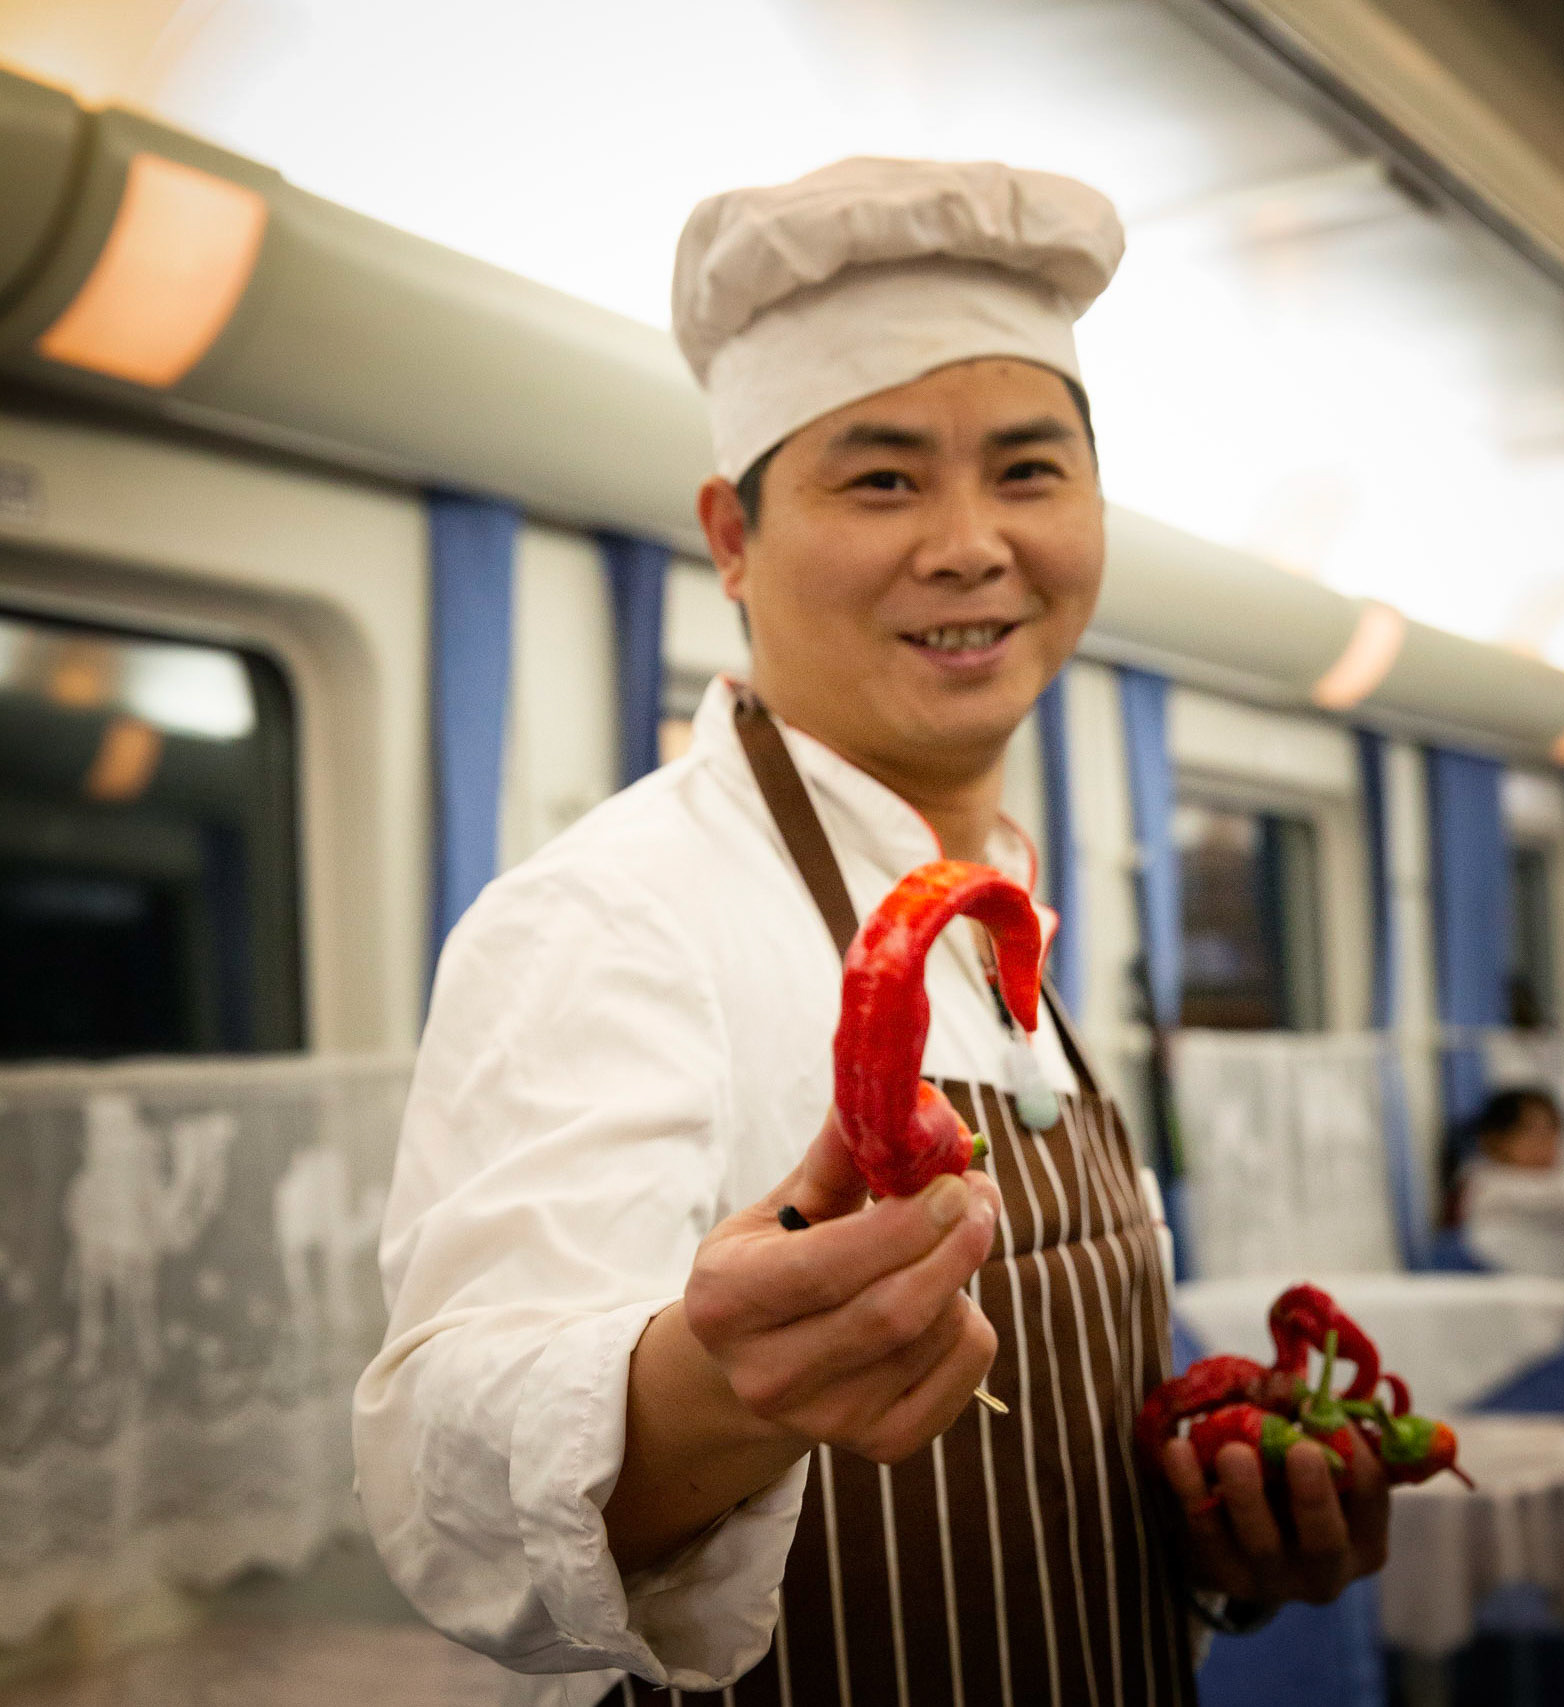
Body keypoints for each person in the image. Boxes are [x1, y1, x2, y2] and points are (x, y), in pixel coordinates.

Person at [353, 156, 1390, 1707]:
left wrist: (1215, 1548)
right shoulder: (603, 914)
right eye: (882, 477)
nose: (969, 542)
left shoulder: (1012, 908)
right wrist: (701, 1388)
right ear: (729, 535)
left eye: (1028, 472)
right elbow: (446, 1460)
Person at [1460, 1086, 1564, 1223]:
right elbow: (1537, 1198)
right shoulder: (1484, 1183)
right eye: (1534, 1134)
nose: (1546, 1144)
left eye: (1553, 1132)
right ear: (1495, 1140)